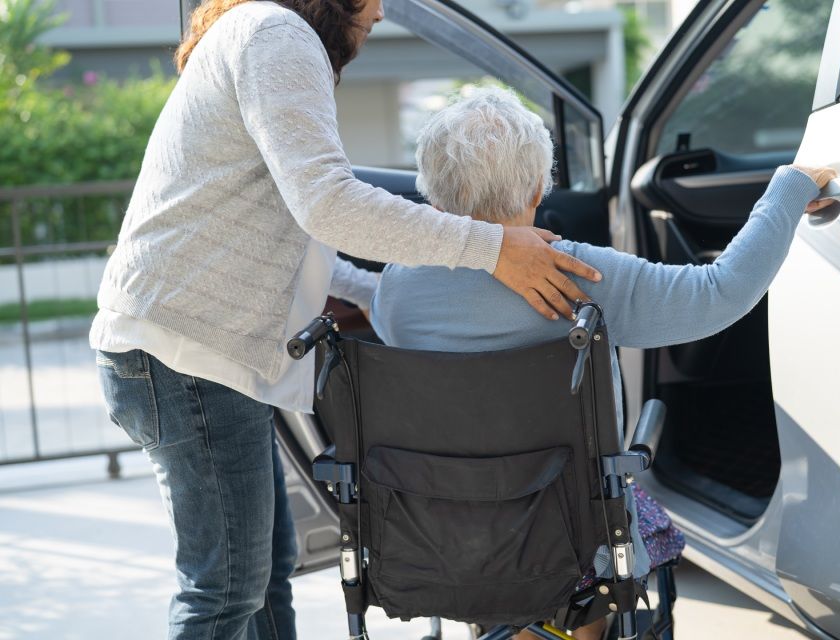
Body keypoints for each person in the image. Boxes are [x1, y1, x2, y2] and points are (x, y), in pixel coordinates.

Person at [91, 1, 603, 638]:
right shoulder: (277, 34)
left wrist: (365, 288)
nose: (382, 11)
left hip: (190, 354)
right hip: (187, 357)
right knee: (224, 593)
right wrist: (492, 247)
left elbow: (280, 221)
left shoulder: (263, 33)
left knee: (263, 581)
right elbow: (328, 202)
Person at [369, 87, 837, 639]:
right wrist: (789, 189)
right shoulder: (578, 275)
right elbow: (720, 293)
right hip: (569, 541)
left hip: (440, 529)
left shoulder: (397, 288)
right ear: (541, 186)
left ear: (431, 191)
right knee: (606, 512)